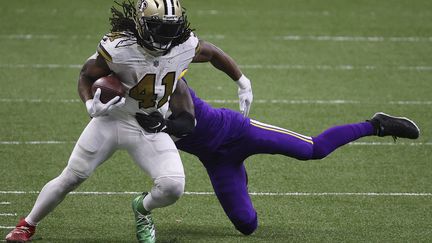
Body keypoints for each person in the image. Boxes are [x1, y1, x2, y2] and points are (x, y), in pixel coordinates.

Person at [5, 1, 252, 243]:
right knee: (73, 175)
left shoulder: (183, 44)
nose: (165, 36)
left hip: (148, 124)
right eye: (158, 28)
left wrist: (242, 81)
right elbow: (86, 75)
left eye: (170, 28)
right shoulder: (119, 46)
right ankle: (27, 224)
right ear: (141, 23)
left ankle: (142, 209)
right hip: (112, 119)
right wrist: (91, 104)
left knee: (173, 186)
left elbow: (213, 53)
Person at [136, 78, 421, 236]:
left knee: (314, 149)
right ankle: (239, 175)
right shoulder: (129, 111)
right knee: (247, 226)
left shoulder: (172, 83)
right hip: (216, 159)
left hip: (238, 131)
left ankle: (377, 125)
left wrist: (240, 79)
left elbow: (188, 122)